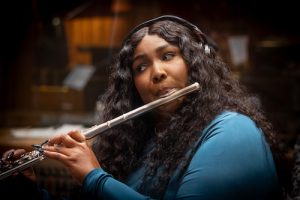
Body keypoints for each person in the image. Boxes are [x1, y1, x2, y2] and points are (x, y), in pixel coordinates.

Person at [0, 15, 290, 200]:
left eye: (168, 56)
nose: (157, 72)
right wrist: (31, 192)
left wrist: (94, 177)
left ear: (195, 64)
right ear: (133, 84)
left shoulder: (233, 131)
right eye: (141, 66)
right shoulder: (142, 139)